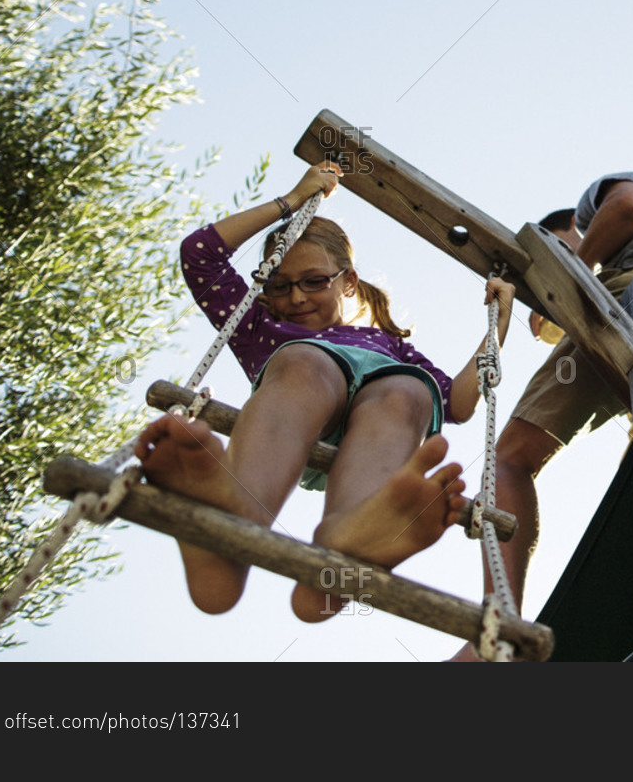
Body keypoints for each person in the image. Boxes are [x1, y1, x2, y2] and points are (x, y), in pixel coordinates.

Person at [135, 160, 515, 622]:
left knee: (407, 392)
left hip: (378, 431)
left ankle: (348, 540)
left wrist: (497, 326)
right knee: (305, 361)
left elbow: (458, 401)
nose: (295, 297)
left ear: (348, 281)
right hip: (300, 409)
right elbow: (199, 254)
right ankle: (232, 517)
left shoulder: (390, 347)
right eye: (279, 285)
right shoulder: (261, 327)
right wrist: (290, 202)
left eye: (314, 281)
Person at [450, 172, 633, 659]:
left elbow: (629, 207)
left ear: (568, 227)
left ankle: (495, 627)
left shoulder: (595, 204)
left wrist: (573, 264)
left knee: (510, 457)